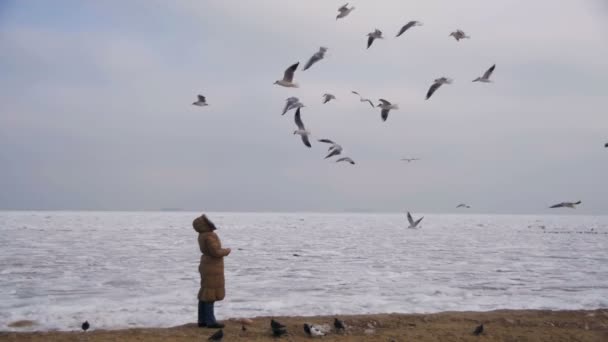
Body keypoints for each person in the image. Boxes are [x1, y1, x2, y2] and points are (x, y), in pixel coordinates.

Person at [193, 214, 231, 328]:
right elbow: (216, 252)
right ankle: (210, 321)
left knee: (205, 292)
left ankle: (202, 320)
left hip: (207, 265)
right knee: (210, 294)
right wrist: (227, 251)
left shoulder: (202, 235)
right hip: (212, 267)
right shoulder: (209, 236)